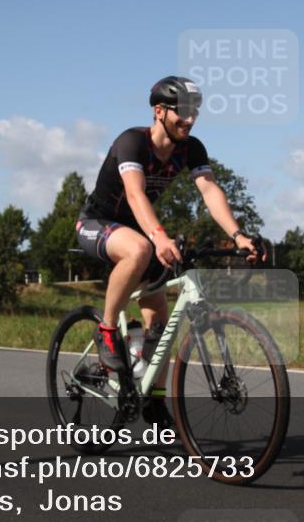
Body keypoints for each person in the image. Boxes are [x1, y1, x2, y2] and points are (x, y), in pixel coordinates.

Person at [76, 76, 264, 427]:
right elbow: (135, 195)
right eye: (182, 113)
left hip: (140, 231)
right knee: (140, 248)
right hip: (96, 223)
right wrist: (160, 237)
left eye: (194, 113)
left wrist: (238, 235)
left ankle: (154, 400)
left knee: (160, 325)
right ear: (159, 111)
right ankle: (105, 330)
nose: (189, 120)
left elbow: (209, 191)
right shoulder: (132, 142)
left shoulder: (191, 149)